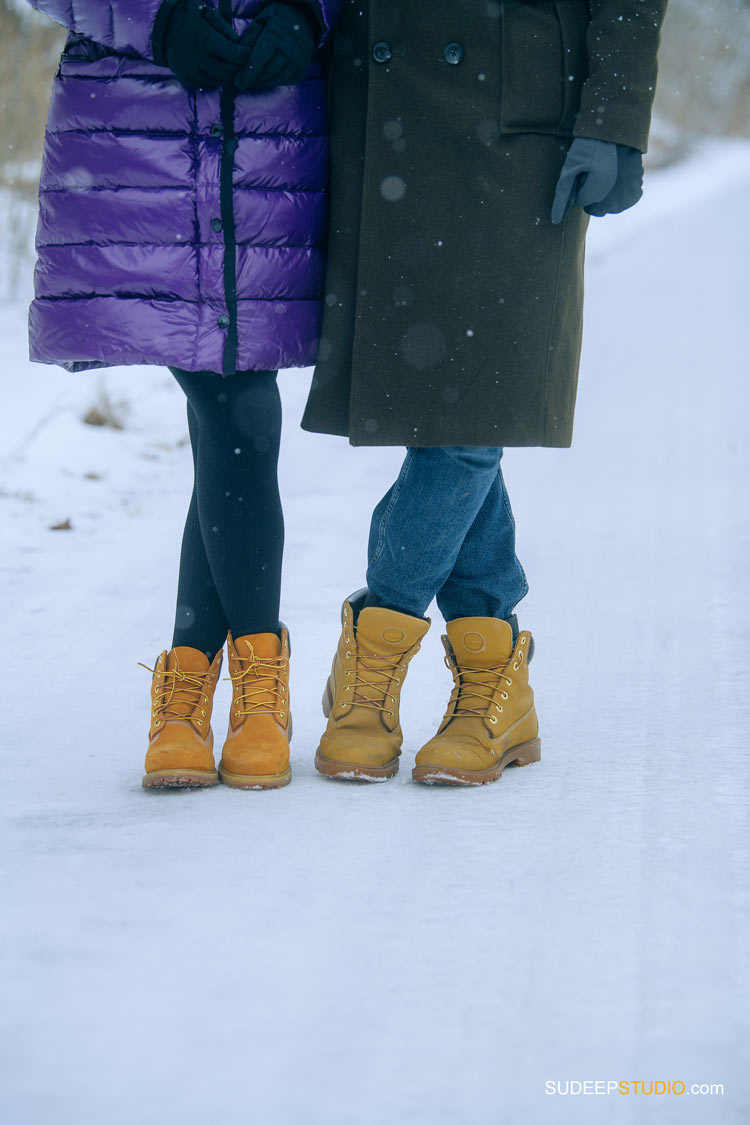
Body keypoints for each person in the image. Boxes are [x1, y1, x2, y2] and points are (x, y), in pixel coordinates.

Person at [304, 0, 668, 785]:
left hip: (519, 117)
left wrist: (615, 119)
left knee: (472, 408)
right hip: (383, 103)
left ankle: (375, 654)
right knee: (455, 407)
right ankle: (494, 685)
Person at [25, 0, 341, 790]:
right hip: (146, 117)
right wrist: (154, 17)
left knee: (230, 389)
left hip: (273, 110)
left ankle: (191, 690)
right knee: (227, 392)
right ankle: (255, 692)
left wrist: (312, 11)